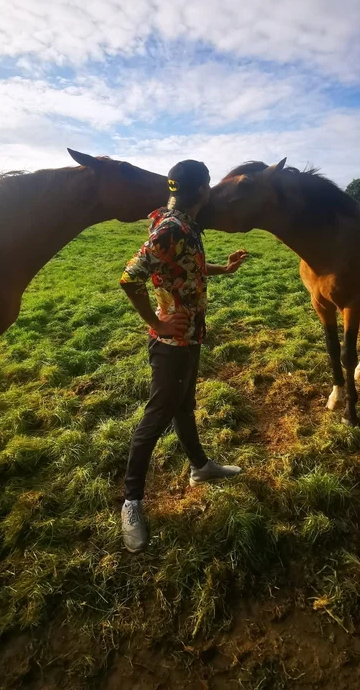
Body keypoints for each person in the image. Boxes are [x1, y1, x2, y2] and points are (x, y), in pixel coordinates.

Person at [119, 160, 248, 553]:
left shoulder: (183, 223)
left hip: (190, 337)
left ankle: (200, 467)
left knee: (184, 407)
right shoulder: (172, 227)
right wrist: (156, 325)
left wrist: (223, 269)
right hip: (171, 344)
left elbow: (186, 267)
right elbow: (130, 277)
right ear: (204, 189)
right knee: (157, 415)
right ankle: (131, 502)